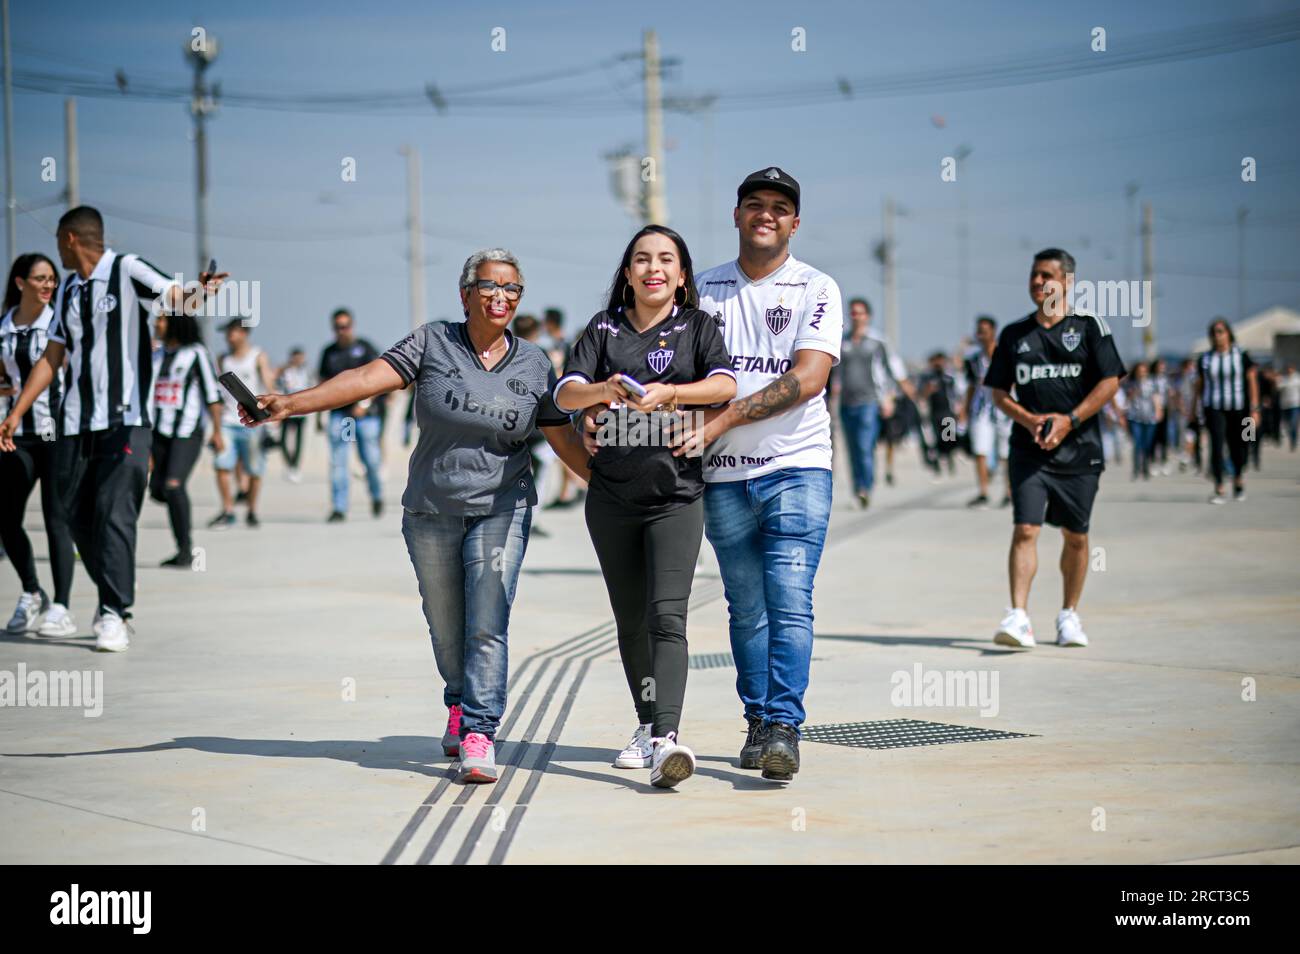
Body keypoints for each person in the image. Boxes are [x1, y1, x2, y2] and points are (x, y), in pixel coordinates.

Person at [240, 248, 591, 784]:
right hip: (431, 508)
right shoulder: (432, 342)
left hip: (503, 507)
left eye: (512, 289)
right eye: (490, 287)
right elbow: (363, 379)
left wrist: (606, 484)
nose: (501, 298)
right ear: (465, 293)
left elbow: (559, 433)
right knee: (447, 624)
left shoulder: (535, 362)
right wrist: (292, 403)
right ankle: (458, 701)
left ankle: (480, 730)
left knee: (487, 622)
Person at [675, 166, 843, 782]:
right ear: (736, 215)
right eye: (754, 204)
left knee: (790, 601)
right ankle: (757, 722)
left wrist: (724, 418)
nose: (765, 214)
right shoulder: (703, 290)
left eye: (779, 206)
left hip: (797, 467)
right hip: (721, 477)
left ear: (795, 222)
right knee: (746, 609)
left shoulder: (817, 288)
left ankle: (784, 728)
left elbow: (809, 378)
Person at [0, 206, 227, 652]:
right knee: (72, 514)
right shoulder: (67, 290)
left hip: (126, 421)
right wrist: (15, 411)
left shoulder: (125, 268)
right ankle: (110, 599)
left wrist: (202, 291)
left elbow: (175, 297)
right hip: (76, 423)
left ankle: (114, 612)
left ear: (69, 239)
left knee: (114, 512)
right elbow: (51, 358)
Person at [556, 225, 735, 788]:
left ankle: (667, 739)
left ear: (682, 276)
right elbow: (565, 393)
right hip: (610, 498)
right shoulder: (602, 328)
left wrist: (674, 393)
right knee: (630, 622)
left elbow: (726, 384)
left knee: (666, 616)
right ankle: (645, 723)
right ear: (627, 272)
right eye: (641, 259)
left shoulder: (698, 327)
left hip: (676, 497)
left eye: (665, 259)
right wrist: (602, 392)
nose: (652, 268)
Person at [984, 248, 1125, 649]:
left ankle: (1068, 616)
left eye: (1046, 275)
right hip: (1030, 451)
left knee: (1076, 536)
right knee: (1025, 528)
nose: (1037, 282)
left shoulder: (1089, 326)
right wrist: (1029, 420)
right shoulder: (1015, 334)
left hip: (1080, 450)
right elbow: (997, 391)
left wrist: (1071, 420)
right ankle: (1019, 617)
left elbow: (1110, 381)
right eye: (1033, 275)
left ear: (1066, 281)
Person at [0, 253, 76, 636]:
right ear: (19, 283)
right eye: (40, 278)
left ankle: (61, 606)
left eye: (52, 279)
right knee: (6, 517)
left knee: (55, 517)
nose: (48, 285)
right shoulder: (2, 328)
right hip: (17, 433)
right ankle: (32, 591)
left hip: (55, 430)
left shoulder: (61, 325)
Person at [149, 313, 224, 566]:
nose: (156, 324)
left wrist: (217, 431)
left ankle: (185, 550)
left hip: (187, 432)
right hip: (157, 432)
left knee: (173, 486)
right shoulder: (156, 354)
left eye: (161, 320)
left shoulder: (196, 354)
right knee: (158, 490)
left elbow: (212, 395)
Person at [831, 297, 902, 508]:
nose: (856, 316)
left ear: (868, 316)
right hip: (846, 402)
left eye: (860, 312)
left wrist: (889, 398)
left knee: (864, 445)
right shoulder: (841, 341)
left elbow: (891, 371)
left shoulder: (877, 341)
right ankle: (857, 489)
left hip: (869, 402)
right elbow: (834, 372)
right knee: (852, 449)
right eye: (852, 312)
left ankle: (866, 487)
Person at [318, 309, 384, 521]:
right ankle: (339, 507)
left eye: (345, 326)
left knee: (371, 460)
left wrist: (364, 405)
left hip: (366, 415)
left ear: (352, 326)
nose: (342, 331)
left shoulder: (365, 349)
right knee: (339, 462)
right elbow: (322, 386)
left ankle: (376, 495)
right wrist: (320, 415)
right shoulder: (329, 353)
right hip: (343, 418)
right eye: (338, 327)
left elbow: (380, 379)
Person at [211, 319, 274, 528]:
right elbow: (216, 393)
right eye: (227, 333)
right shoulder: (223, 359)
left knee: (255, 470)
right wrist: (216, 428)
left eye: (233, 332)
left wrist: (272, 418)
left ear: (244, 333)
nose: (230, 337)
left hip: (253, 422)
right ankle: (228, 510)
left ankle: (252, 510)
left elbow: (269, 384)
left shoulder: (257, 356)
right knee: (221, 465)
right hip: (228, 421)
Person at [1197, 318, 1259, 504]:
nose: (1218, 336)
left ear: (1228, 333)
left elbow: (1252, 381)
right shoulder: (1206, 358)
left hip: (1239, 408)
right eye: (1214, 333)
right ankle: (1219, 487)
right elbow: (1199, 385)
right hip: (1214, 407)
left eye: (1221, 331)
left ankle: (1238, 479)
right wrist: (1194, 409)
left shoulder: (1241, 355)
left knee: (1240, 444)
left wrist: (1255, 409)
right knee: (1216, 446)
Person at [963, 315, 1012, 508]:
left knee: (1006, 452)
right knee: (980, 450)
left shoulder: (1006, 355)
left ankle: (1008, 491)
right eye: (978, 331)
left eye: (984, 331)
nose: (981, 335)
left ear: (993, 331)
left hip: (1005, 408)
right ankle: (983, 491)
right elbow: (970, 386)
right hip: (981, 409)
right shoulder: (973, 359)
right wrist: (964, 411)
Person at [275, 347, 313, 482]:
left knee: (298, 441)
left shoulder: (306, 372)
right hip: (287, 412)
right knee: (283, 440)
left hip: (302, 411)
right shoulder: (285, 372)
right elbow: (278, 387)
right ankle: (290, 463)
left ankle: (295, 467)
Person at [921, 351, 959, 476]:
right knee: (934, 439)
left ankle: (949, 458)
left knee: (948, 438)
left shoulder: (949, 377)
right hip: (933, 413)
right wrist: (928, 389)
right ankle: (936, 463)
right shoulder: (927, 378)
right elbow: (921, 395)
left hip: (947, 412)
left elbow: (956, 394)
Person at [1122, 361, 1161, 481]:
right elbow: (1127, 400)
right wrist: (1133, 393)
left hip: (1149, 417)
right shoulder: (1130, 384)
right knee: (1137, 444)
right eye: (1140, 371)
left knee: (1147, 444)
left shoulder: (1152, 383)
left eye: (1144, 371)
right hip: (1135, 417)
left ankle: (1146, 467)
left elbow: (1156, 398)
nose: (1142, 373)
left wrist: (1158, 411)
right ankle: (1136, 469)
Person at [1279, 363, 1300, 452]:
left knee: (1293, 423)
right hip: (1285, 405)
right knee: (1286, 424)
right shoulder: (1284, 379)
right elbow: (1278, 387)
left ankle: (1293, 440)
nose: (1289, 370)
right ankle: (1291, 436)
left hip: (1295, 404)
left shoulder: (1297, 379)